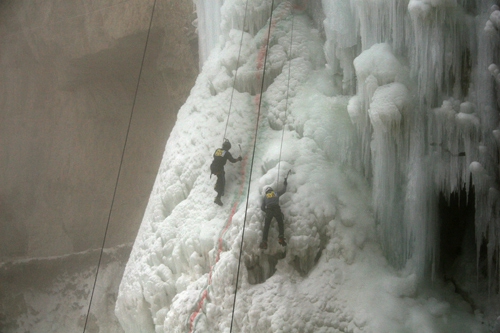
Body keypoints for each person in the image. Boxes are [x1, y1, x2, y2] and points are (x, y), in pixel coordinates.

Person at [210, 139, 242, 206]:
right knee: (222, 182)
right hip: (219, 168)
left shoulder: (217, 150)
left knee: (220, 177)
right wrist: (238, 159)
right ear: (228, 147)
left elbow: (214, 156)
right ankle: (218, 197)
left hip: (213, 167)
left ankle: (217, 187)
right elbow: (232, 160)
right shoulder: (226, 153)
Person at [260, 176, 288, 249]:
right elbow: (283, 190)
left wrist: (267, 211)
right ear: (271, 190)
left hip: (269, 210)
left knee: (266, 226)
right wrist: (285, 183)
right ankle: (281, 237)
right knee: (280, 223)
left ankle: (264, 242)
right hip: (276, 209)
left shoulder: (265, 197)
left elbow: (262, 207)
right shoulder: (276, 193)